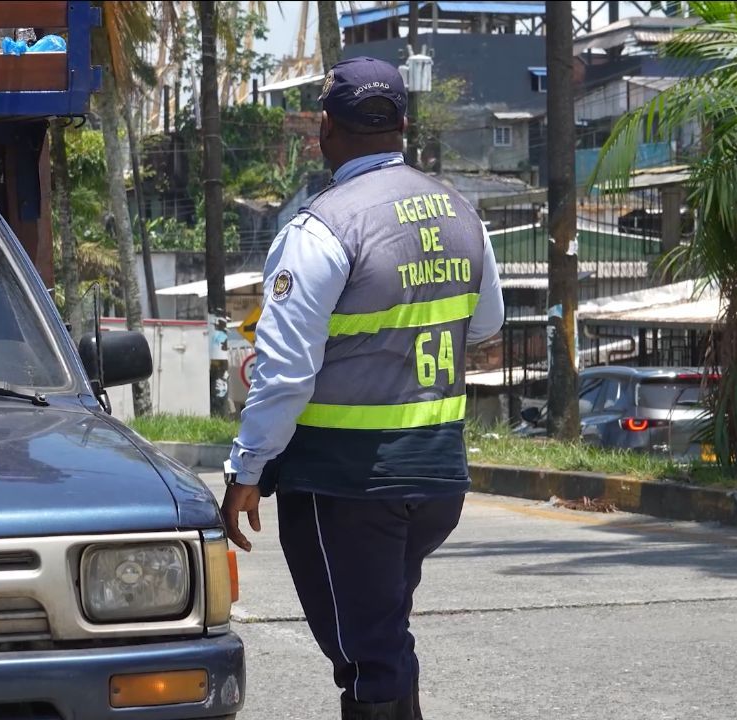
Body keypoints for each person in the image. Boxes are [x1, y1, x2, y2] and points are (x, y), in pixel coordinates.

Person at [221, 57, 504, 720]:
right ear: (402, 124)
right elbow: (485, 322)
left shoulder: (321, 227)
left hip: (346, 482)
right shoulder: (460, 212)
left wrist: (246, 468)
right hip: (436, 474)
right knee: (382, 638)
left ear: (325, 128)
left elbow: (285, 372)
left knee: (367, 655)